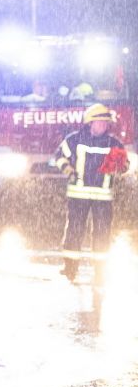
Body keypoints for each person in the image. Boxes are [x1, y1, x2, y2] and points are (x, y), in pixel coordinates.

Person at [53, 103, 129, 280]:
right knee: (74, 230)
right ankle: (70, 268)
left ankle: (100, 271)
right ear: (90, 123)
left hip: (103, 198)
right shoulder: (75, 139)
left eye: (105, 122)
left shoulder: (114, 143)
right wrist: (69, 171)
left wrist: (120, 165)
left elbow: (125, 166)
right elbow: (59, 156)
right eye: (100, 122)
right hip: (78, 195)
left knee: (102, 233)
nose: (103, 125)